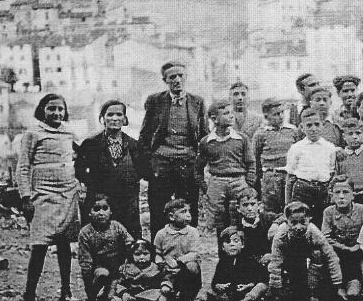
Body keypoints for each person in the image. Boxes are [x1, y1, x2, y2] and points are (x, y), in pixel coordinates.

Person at [6, 94, 82, 301]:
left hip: (68, 192)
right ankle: (29, 297)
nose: (57, 113)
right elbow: (22, 167)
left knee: (65, 243)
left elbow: (82, 153)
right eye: (52, 109)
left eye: (60, 109)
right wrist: (26, 197)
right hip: (43, 195)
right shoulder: (32, 134)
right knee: (39, 245)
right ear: (42, 111)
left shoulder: (69, 132)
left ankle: (66, 293)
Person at [139, 62, 208, 240]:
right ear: (165, 80)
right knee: (158, 208)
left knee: (188, 207)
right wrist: (148, 164)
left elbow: (204, 135)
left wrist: (200, 163)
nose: (177, 80)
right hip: (162, 163)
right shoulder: (155, 101)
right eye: (172, 77)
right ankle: (158, 250)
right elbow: (145, 134)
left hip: (188, 163)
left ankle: (189, 247)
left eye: (180, 76)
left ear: (186, 77)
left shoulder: (197, 102)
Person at [76, 100, 145, 239]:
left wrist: (126, 181)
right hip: (100, 200)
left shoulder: (133, 145)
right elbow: (79, 170)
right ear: (102, 118)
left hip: (127, 201)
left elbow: (141, 170)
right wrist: (93, 184)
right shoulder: (91, 144)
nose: (114, 118)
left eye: (119, 115)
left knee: (129, 238)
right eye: (110, 114)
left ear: (124, 119)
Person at [267, 202, 348, 301]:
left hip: (309, 257)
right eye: (293, 223)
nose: (298, 227)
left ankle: (312, 293)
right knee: (284, 275)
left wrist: (338, 286)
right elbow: (275, 262)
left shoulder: (314, 232)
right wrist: (276, 288)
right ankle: (279, 293)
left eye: (302, 222)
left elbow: (332, 257)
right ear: (287, 221)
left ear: (309, 219)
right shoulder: (280, 236)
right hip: (290, 258)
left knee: (318, 254)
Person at [198, 99, 255, 241]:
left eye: (231, 112)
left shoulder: (241, 138)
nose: (231, 116)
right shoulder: (207, 141)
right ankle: (224, 251)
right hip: (217, 181)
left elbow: (251, 163)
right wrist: (207, 187)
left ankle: (242, 251)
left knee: (241, 216)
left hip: (238, 180)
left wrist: (248, 185)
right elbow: (198, 169)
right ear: (214, 119)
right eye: (226, 113)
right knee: (218, 220)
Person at [77, 194, 134, 301]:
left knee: (117, 289)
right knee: (103, 275)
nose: (101, 213)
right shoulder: (85, 232)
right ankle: (91, 300)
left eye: (105, 208)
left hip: (118, 265)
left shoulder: (116, 226)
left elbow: (130, 243)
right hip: (98, 267)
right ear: (89, 213)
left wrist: (127, 261)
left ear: (111, 211)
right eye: (96, 209)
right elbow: (85, 261)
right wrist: (89, 284)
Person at [321, 176, 363, 300]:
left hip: (358, 256)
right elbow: (326, 237)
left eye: (346, 192)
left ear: (353, 195)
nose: (341, 196)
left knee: (353, 294)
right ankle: (337, 286)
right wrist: (345, 248)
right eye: (337, 193)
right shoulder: (328, 212)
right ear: (332, 196)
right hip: (338, 256)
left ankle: (361, 283)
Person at [285, 108, 337, 227]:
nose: (313, 129)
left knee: (321, 222)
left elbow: (331, 171)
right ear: (302, 128)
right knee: (301, 222)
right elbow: (290, 176)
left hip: (322, 190)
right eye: (309, 125)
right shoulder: (296, 148)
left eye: (317, 124)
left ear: (322, 125)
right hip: (303, 190)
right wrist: (287, 203)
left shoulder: (329, 147)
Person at [94, 239, 168, 301]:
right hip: (130, 298)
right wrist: (124, 293)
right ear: (131, 255)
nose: (142, 257)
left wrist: (164, 286)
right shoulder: (125, 269)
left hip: (149, 297)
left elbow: (163, 280)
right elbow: (118, 283)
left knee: (162, 295)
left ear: (151, 254)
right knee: (115, 300)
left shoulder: (156, 268)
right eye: (137, 254)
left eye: (145, 254)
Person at [252, 98, 299, 218]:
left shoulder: (292, 130)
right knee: (270, 210)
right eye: (276, 114)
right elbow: (255, 159)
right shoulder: (261, 134)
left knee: (291, 208)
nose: (281, 116)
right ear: (267, 116)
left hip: (289, 175)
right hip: (271, 176)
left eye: (282, 112)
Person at [154, 199, 204, 301]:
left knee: (192, 266)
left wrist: (180, 260)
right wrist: (160, 262)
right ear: (172, 216)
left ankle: (187, 296)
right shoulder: (161, 234)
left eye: (188, 211)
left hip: (184, 270)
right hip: (168, 270)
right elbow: (157, 253)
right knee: (161, 282)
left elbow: (195, 252)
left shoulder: (193, 232)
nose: (188, 215)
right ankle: (167, 296)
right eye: (183, 212)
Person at [209, 227, 269, 301]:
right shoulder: (222, 262)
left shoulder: (250, 260)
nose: (232, 244)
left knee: (260, 287)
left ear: (242, 244)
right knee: (207, 290)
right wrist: (219, 285)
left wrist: (248, 285)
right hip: (230, 293)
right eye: (228, 242)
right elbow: (215, 281)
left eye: (236, 241)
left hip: (247, 292)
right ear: (222, 247)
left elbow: (263, 279)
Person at [235, 187, 272, 265]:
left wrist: (276, 224)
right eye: (245, 205)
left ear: (259, 205)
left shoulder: (267, 219)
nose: (249, 208)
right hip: (247, 265)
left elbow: (285, 217)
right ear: (238, 208)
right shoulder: (237, 227)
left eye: (252, 204)